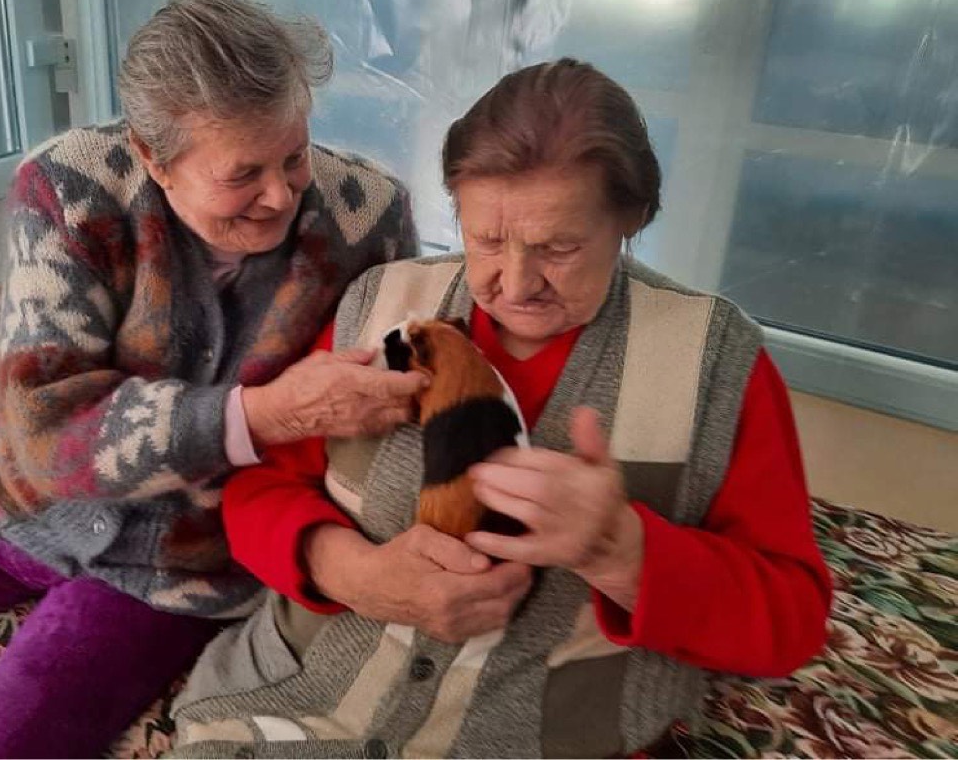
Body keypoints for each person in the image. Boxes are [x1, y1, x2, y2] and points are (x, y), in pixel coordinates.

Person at [0, 0, 437, 758]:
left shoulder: (370, 214)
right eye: (242, 175)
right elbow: (42, 431)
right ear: (155, 158)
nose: (282, 196)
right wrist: (257, 415)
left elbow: (377, 416)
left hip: (185, 554)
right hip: (18, 503)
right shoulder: (70, 185)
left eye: (294, 157)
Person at [169, 58, 833, 759]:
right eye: (485, 239)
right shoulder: (382, 304)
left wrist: (623, 552)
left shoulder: (712, 360)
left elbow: (790, 621)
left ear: (631, 219)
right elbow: (259, 490)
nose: (515, 284)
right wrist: (352, 572)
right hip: (303, 703)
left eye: (560, 248)